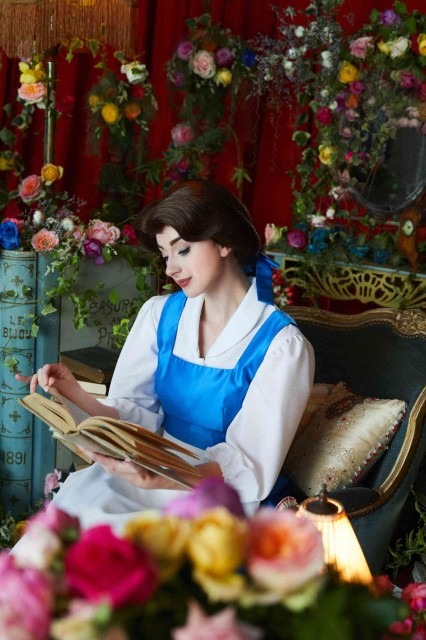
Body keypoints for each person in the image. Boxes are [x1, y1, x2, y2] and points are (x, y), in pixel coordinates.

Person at [15, 179, 314, 532]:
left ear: (224, 242)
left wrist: (165, 476)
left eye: (182, 250)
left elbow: (249, 464)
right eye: (165, 255)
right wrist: (73, 392)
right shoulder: (160, 315)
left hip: (212, 494)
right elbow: (133, 415)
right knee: (73, 523)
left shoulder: (281, 345)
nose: (170, 268)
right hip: (145, 467)